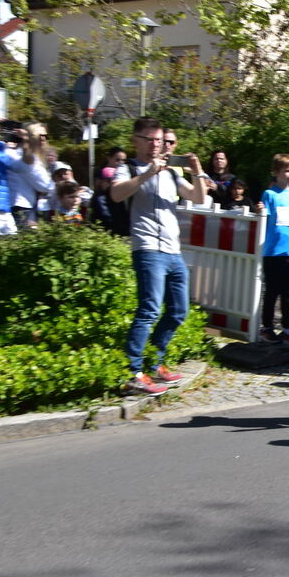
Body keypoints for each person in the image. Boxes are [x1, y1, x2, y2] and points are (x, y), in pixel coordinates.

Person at [110, 117, 208, 394]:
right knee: (149, 310)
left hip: (173, 250)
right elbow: (116, 194)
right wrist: (146, 174)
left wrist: (197, 172)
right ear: (136, 140)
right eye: (150, 139)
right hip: (147, 248)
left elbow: (199, 197)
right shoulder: (127, 168)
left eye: (160, 140)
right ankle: (133, 371)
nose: (156, 145)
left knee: (178, 311)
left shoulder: (171, 173)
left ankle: (156, 363)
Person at [258, 154, 289, 346]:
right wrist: (259, 210)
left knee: (288, 293)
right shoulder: (270, 194)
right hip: (272, 251)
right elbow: (263, 217)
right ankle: (267, 327)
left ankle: (287, 329)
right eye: (287, 170)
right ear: (276, 172)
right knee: (272, 292)